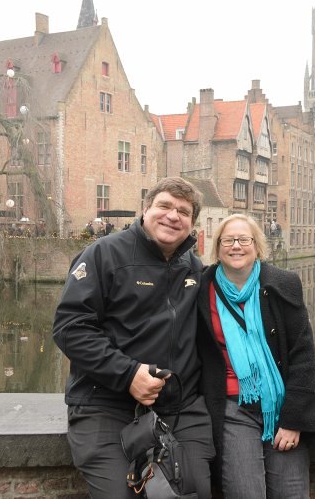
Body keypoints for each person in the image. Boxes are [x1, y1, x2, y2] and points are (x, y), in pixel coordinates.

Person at [53, 177, 214, 498]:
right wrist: (128, 374)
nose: (173, 216)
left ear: (191, 224)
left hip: (180, 411)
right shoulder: (103, 254)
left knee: (192, 492)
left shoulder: (194, 269)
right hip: (105, 406)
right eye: (165, 206)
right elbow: (70, 327)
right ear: (146, 210)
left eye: (183, 211)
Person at [196, 213, 315, 498]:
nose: (236, 246)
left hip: (282, 405)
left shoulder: (282, 283)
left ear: (257, 246)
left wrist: (293, 420)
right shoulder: (201, 289)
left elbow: (304, 357)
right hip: (232, 407)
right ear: (217, 247)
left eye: (244, 239)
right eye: (228, 240)